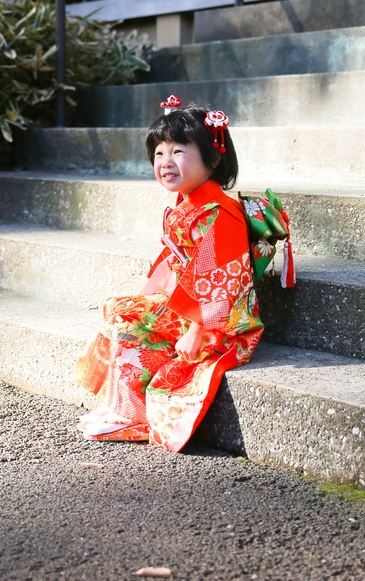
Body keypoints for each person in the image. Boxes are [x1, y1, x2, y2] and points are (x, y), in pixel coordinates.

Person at [73, 99, 263, 452]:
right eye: (159, 153)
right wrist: (147, 298)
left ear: (214, 157)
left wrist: (196, 331)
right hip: (194, 304)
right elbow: (171, 264)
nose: (165, 162)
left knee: (129, 325)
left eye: (178, 151)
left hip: (219, 323)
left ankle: (135, 418)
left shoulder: (221, 213)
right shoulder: (189, 204)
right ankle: (118, 406)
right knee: (120, 308)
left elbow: (223, 281)